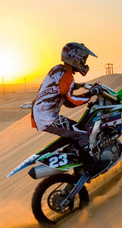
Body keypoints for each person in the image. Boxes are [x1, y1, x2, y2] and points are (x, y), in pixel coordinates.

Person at [31, 42, 100, 173]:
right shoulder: (67, 76)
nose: (84, 62)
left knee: (76, 130)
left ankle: (74, 158)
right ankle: (90, 167)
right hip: (47, 117)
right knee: (82, 135)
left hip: (42, 113)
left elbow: (57, 86)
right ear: (75, 57)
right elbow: (70, 101)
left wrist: (75, 86)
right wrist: (90, 94)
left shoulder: (58, 69)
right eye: (83, 59)